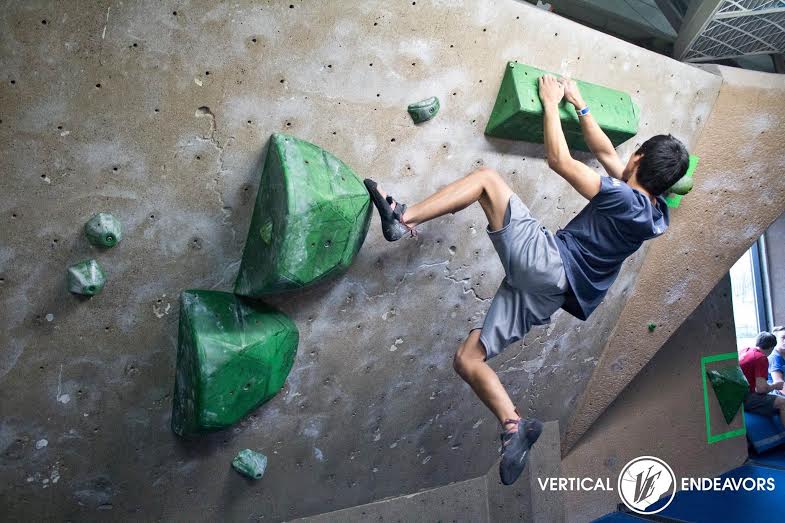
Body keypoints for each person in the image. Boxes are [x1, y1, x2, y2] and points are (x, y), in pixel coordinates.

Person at [364, 75, 689, 485]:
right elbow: (607, 151)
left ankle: (402, 218)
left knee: (487, 180)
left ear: (639, 157)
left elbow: (561, 162)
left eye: (634, 157)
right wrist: (580, 103)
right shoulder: (656, 213)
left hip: (549, 265)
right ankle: (513, 426)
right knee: (469, 357)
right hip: (553, 293)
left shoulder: (621, 196)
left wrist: (552, 102)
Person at [739, 332, 785, 428]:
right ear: (771, 348)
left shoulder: (745, 350)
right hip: (744, 397)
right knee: (783, 403)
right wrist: (776, 385)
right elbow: (761, 389)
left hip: (738, 393)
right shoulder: (761, 358)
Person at [768, 326, 785, 396]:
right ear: (775, 340)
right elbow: (780, 385)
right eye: (783, 337)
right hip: (776, 395)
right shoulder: (774, 357)